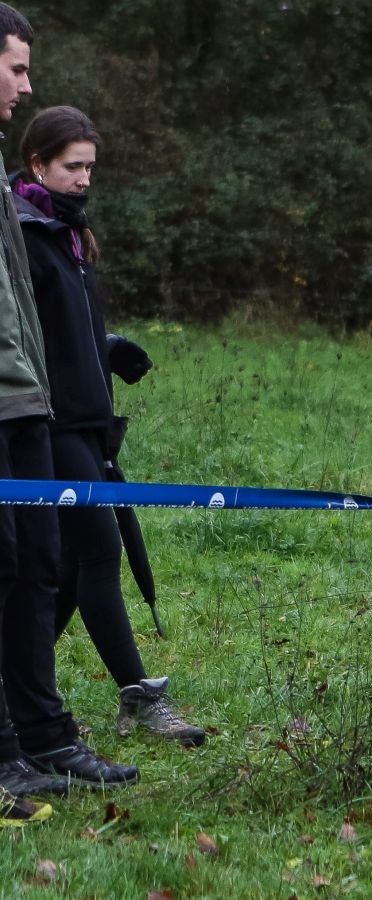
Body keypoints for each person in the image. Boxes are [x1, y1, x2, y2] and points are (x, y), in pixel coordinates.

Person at [11, 107, 205, 747]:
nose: (84, 180)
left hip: (89, 419)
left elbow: (65, 327)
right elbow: (23, 339)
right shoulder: (21, 234)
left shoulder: (70, 232)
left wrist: (107, 346)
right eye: (73, 167)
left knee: (63, 568)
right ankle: (140, 698)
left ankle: (22, 695)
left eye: (91, 167)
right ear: (37, 163)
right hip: (49, 420)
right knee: (98, 548)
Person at [0, 5, 138, 828]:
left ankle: (42, 736)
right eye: (15, 67)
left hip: (29, 404)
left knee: (34, 568)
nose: (26, 85)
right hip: (19, 407)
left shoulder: (64, 230)